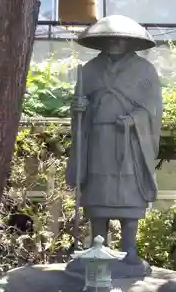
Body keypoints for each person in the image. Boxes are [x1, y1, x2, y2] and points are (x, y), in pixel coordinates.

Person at [66, 15, 163, 265]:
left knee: (128, 192)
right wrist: (78, 109)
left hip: (130, 142)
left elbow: (153, 109)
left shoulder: (144, 71)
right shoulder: (89, 70)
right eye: (109, 38)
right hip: (98, 139)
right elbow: (80, 108)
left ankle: (129, 249)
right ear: (102, 41)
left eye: (121, 39)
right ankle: (99, 248)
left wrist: (134, 120)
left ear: (131, 42)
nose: (115, 43)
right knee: (98, 191)